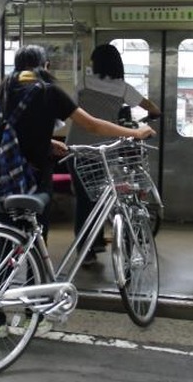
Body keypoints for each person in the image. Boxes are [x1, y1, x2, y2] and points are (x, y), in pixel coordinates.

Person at [0, 44, 156, 341]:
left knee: (6, 245)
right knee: (36, 246)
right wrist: (135, 132)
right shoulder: (49, 90)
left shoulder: (5, 87)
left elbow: (17, 129)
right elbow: (93, 125)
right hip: (34, 179)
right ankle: (31, 317)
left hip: (3, 176)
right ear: (46, 65)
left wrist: (48, 141)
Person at [67, 43, 161, 266]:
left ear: (96, 63)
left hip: (77, 148)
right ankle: (92, 245)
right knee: (101, 198)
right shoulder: (124, 88)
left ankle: (88, 248)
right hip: (104, 151)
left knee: (85, 200)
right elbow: (154, 109)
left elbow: (70, 107)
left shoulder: (84, 82)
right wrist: (144, 122)